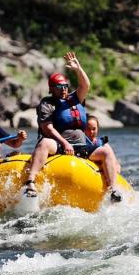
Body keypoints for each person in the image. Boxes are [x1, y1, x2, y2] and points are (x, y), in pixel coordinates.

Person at [23, 51, 121, 202]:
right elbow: (47, 128)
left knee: (106, 151)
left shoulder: (76, 98)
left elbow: (85, 85)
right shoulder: (47, 103)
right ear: (51, 88)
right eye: (59, 86)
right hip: (59, 145)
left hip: (81, 146)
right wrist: (64, 142)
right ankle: (30, 182)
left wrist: (78, 68)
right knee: (44, 143)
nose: (63, 89)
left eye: (65, 86)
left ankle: (113, 190)